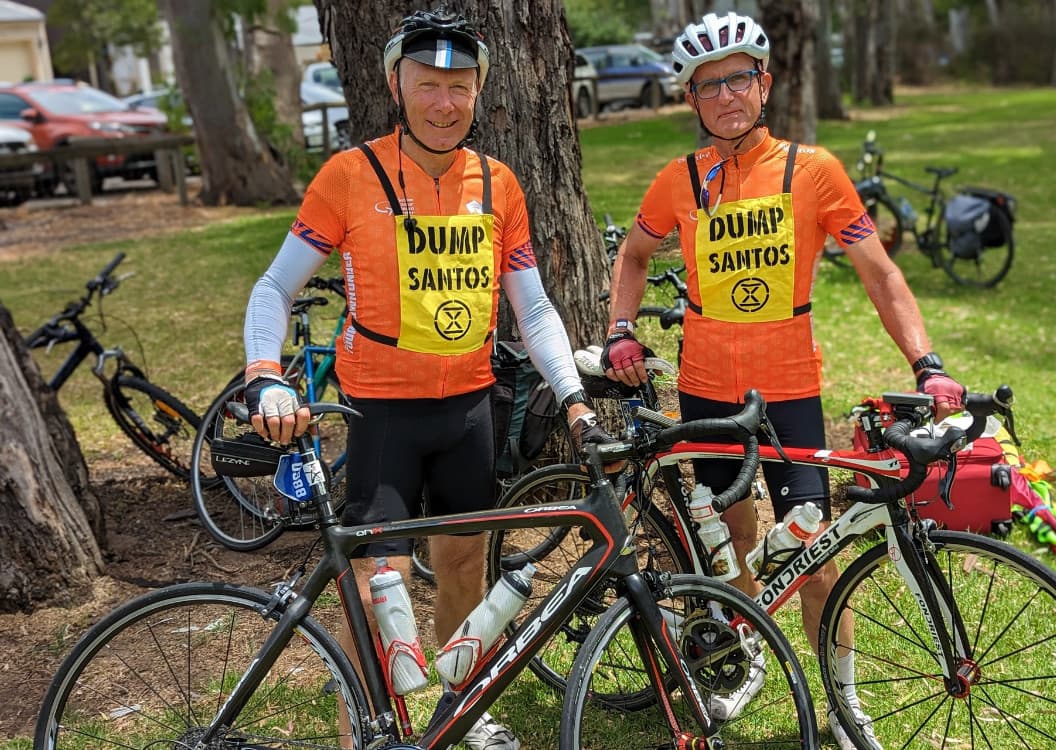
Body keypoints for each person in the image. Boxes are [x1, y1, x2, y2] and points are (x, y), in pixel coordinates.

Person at [241, 9, 609, 749]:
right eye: (428, 84)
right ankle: (368, 723)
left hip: (469, 406)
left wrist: (570, 393)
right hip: (381, 412)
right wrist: (265, 376)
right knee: (381, 584)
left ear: (479, 93)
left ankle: (458, 710)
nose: (445, 103)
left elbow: (532, 305)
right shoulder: (350, 176)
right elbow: (273, 289)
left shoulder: (499, 183)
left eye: (461, 86)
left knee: (465, 563)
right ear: (395, 86)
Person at [602, 11, 965, 749]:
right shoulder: (678, 181)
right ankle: (746, 665)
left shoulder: (814, 170)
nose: (727, 95)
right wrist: (620, 328)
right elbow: (634, 256)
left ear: (764, 83)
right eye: (710, 85)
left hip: (790, 393)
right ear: (693, 99)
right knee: (732, 549)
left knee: (817, 558)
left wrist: (926, 362)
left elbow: (879, 273)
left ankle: (844, 700)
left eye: (740, 78)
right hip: (707, 394)